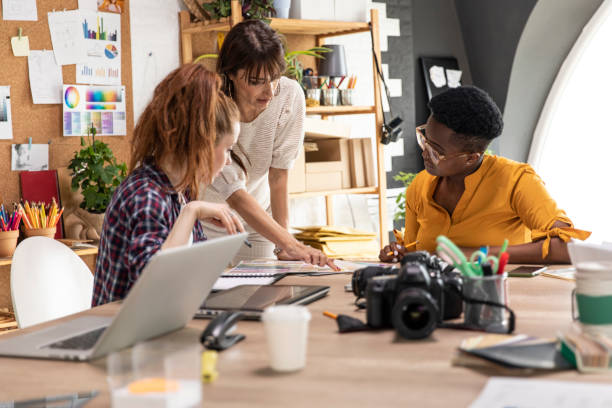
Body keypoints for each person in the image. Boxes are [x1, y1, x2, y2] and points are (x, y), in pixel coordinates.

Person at [380, 85, 590, 264]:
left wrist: (477, 255)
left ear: (471, 157)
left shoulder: (516, 181)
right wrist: (401, 254)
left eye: (436, 151)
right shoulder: (420, 186)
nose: (424, 152)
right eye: (424, 139)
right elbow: (415, 250)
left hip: (502, 299)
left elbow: (566, 247)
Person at [92, 64, 244, 306]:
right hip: (122, 337)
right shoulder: (146, 197)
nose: (227, 161)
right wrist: (192, 212)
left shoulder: (178, 190)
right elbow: (154, 287)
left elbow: (188, 275)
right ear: (201, 142)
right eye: (227, 149)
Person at [200, 19, 337, 270]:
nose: (269, 91)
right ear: (231, 73)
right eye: (256, 81)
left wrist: (283, 243)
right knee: (210, 300)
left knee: (263, 294)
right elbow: (235, 194)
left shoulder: (289, 96)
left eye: (274, 78)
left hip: (261, 218)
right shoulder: (211, 107)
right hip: (211, 217)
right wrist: (292, 243)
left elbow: (279, 175)